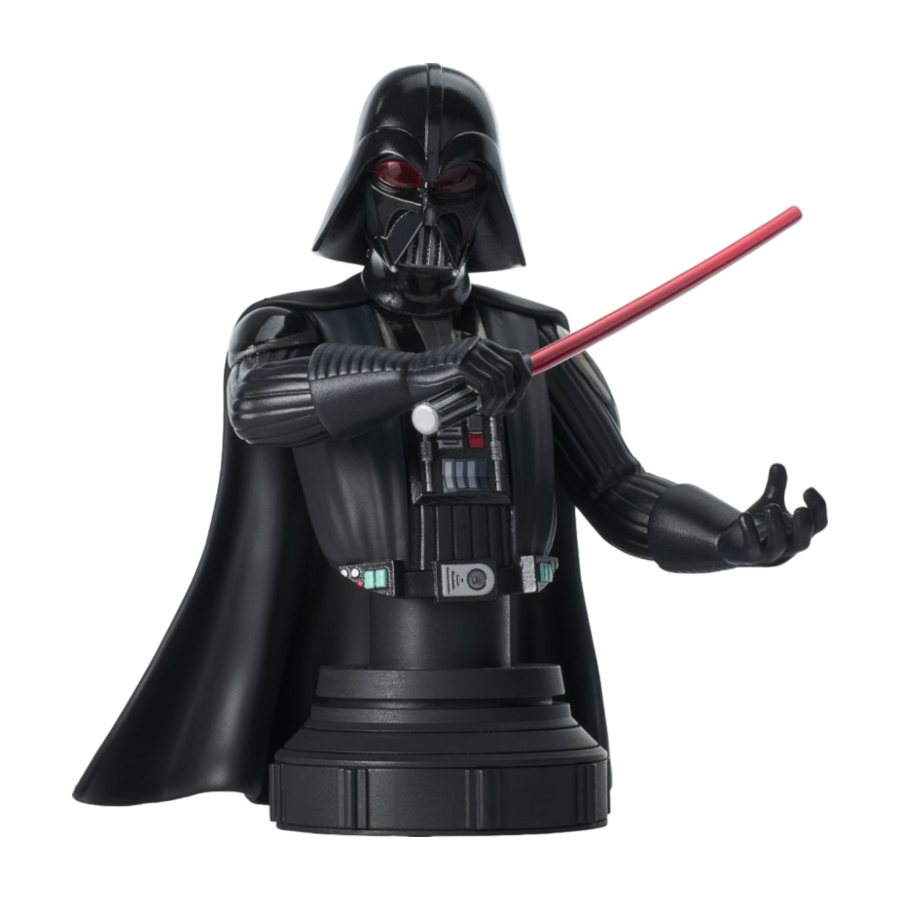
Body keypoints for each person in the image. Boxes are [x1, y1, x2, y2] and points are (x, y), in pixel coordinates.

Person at [73, 63, 828, 836]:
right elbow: (257, 402)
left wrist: (724, 538)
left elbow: (617, 488)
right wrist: (415, 375)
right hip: (363, 672)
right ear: (363, 182)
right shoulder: (291, 326)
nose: (428, 206)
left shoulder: (533, 334)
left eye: (457, 178)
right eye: (403, 177)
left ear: (487, 191)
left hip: (512, 674)